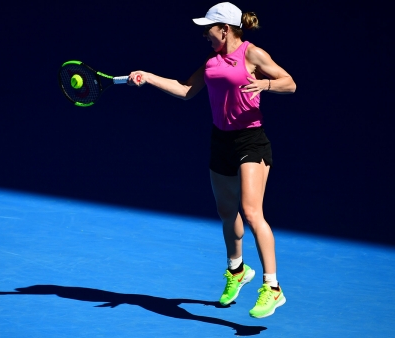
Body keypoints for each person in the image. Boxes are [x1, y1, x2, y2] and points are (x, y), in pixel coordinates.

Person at [127, 2, 296, 318]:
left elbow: (290, 82)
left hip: (251, 140)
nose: (205, 34)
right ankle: (236, 271)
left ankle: (273, 288)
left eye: (209, 28)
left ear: (225, 29)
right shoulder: (210, 62)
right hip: (221, 141)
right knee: (226, 211)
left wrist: (266, 84)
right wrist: (148, 77)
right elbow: (186, 90)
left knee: (250, 210)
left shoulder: (252, 54)